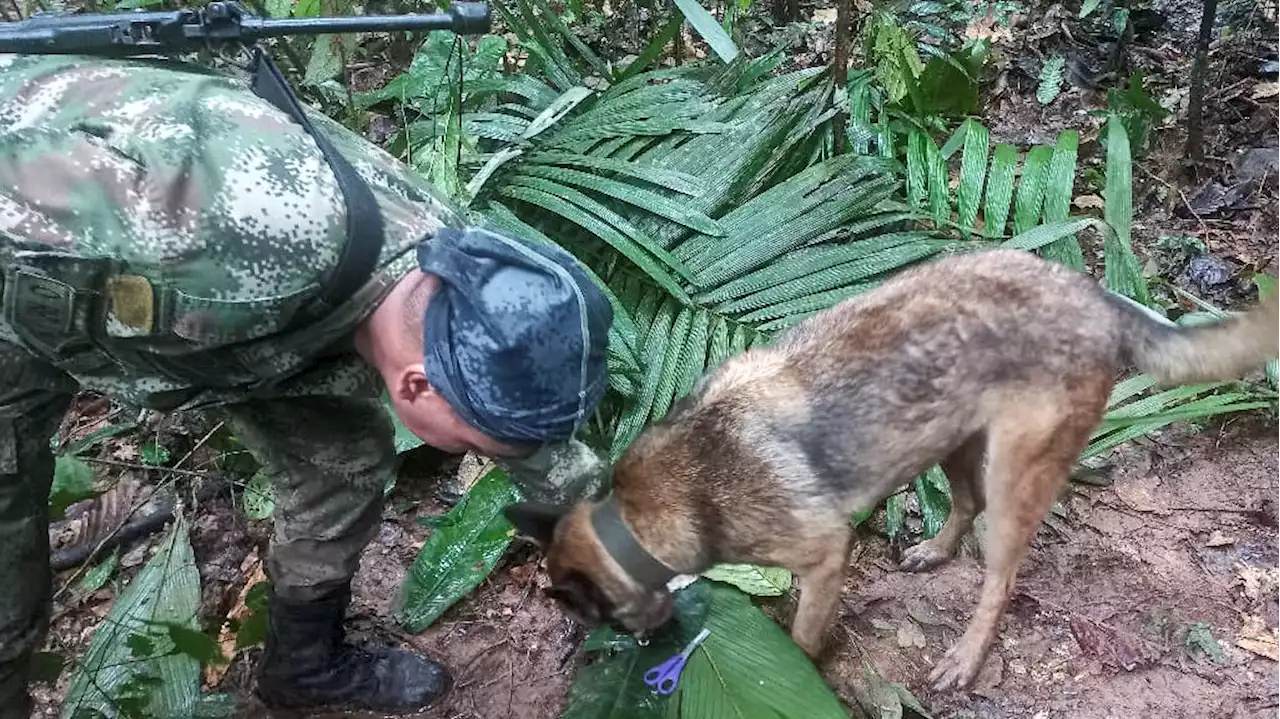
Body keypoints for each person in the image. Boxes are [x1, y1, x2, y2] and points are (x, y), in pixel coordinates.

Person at [0, 48, 613, 717]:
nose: (488, 452)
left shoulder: (458, 278)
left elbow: (522, 434)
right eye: (475, 443)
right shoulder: (214, 244)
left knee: (340, 462)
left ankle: (303, 664)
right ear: (413, 387)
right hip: (31, 268)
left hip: (218, 316)